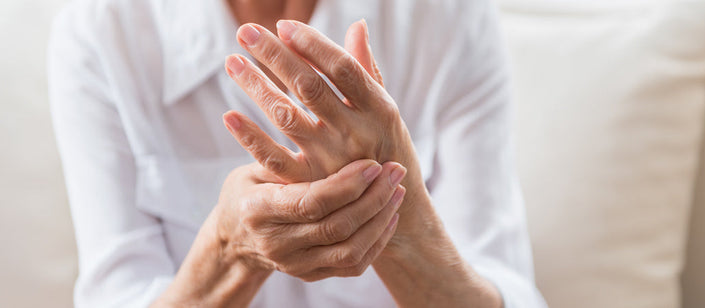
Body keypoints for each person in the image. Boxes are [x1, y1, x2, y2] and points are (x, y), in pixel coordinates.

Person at [49, 0, 546, 307]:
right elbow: (118, 294)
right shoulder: (101, 33)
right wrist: (229, 249)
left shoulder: (451, 18)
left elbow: (506, 290)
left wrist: (396, 208)